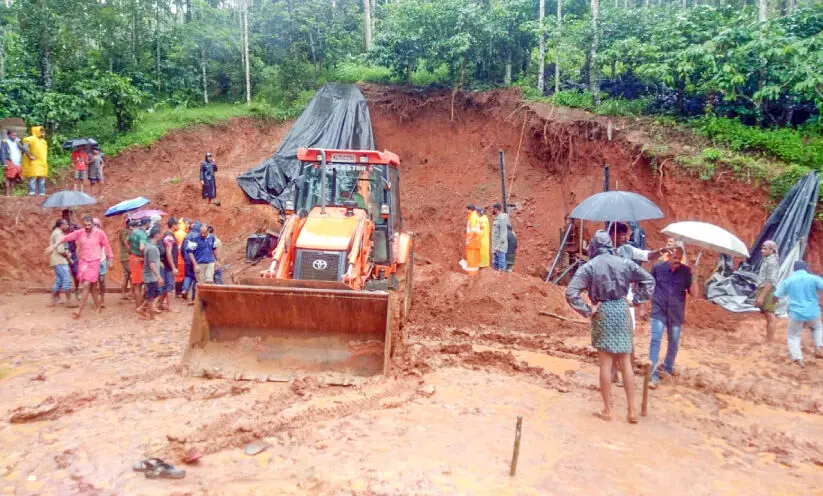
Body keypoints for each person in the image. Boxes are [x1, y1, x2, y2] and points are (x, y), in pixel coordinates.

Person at [566, 231, 655, 424]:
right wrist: (637, 300)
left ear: (594, 247)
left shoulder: (589, 267)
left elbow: (571, 292)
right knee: (625, 363)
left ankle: (607, 409)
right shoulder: (624, 262)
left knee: (605, 364)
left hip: (603, 311)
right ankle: (632, 410)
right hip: (622, 310)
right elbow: (649, 280)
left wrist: (588, 310)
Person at [46, 215, 113, 319]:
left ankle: (79, 311)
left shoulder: (100, 233)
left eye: (89, 225)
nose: (87, 227)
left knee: (86, 284)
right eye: (85, 225)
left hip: (94, 261)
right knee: (93, 286)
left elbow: (107, 246)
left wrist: (110, 259)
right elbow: (66, 238)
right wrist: (54, 246)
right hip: (83, 262)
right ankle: (98, 306)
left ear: (92, 224)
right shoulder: (80, 232)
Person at [648, 241, 695, 388]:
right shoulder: (657, 268)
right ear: (668, 255)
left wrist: (695, 276)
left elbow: (695, 294)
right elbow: (649, 287)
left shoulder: (686, 272)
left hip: (676, 313)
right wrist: (644, 306)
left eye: (679, 257)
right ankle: (653, 373)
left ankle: (667, 368)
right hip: (659, 310)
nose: (676, 259)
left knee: (673, 342)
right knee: (655, 340)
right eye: (674, 256)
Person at [774, 260, 823, 367]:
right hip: (813, 311)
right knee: (817, 328)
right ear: (806, 268)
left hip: (796, 313)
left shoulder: (789, 281)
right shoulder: (814, 279)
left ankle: (798, 358)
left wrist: (772, 303)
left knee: (793, 335)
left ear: (794, 269)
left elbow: (776, 295)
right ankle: (819, 347)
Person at [755, 240, 780, 343]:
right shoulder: (767, 260)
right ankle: (769, 339)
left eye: (765, 248)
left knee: (770, 314)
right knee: (768, 314)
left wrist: (761, 296)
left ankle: (770, 341)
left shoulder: (772, 262)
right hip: (765, 289)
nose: (762, 250)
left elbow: (770, 281)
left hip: (768, 290)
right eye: (762, 248)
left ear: (772, 250)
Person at [137, 227, 163, 320]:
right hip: (151, 276)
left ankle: (141, 308)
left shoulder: (148, 246)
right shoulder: (152, 248)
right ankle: (153, 316)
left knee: (154, 294)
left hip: (150, 276)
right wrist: (159, 276)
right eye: (160, 233)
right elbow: (152, 264)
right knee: (151, 297)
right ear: (156, 235)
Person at [49, 219, 74, 307]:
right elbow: (60, 250)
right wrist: (68, 256)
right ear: (61, 225)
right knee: (67, 280)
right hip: (60, 260)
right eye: (66, 224)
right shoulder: (58, 234)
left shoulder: (57, 232)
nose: (67, 226)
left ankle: (52, 301)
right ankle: (69, 302)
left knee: (59, 281)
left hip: (57, 260)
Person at [128, 217, 151, 309]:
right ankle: (139, 306)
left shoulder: (134, 232)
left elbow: (127, 242)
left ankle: (140, 304)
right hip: (139, 260)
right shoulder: (142, 234)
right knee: (140, 284)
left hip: (133, 258)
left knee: (138, 283)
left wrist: (131, 252)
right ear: (147, 224)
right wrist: (143, 257)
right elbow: (142, 247)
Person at [21, 126, 48, 196]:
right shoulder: (31, 139)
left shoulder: (43, 141)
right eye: (41, 131)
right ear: (37, 131)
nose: (42, 133)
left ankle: (41, 192)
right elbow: (24, 148)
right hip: (35, 162)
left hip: (43, 162)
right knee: (33, 177)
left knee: (41, 177)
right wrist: (29, 155)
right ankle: (32, 192)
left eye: (43, 131)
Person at [159, 218, 179, 311]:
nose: (178, 226)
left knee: (166, 285)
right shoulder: (170, 237)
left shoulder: (166, 235)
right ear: (174, 225)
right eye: (177, 224)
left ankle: (160, 304)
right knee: (170, 285)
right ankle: (169, 306)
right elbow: (169, 252)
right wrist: (173, 267)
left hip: (165, 264)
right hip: (168, 265)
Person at [61, 209, 80, 299]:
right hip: (62, 254)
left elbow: (79, 234)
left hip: (73, 252)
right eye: (65, 215)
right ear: (63, 216)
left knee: (76, 273)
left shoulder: (74, 226)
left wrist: (74, 230)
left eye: (69, 215)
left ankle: (77, 290)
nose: (68, 217)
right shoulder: (60, 226)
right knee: (62, 274)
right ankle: (59, 295)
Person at [181, 222, 202, 302]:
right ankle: (194, 297)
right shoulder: (198, 237)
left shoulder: (186, 236)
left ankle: (184, 289)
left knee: (188, 276)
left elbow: (182, 249)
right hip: (196, 260)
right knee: (196, 278)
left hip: (187, 260)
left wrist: (185, 258)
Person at [1, 129, 23, 196]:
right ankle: (8, 193)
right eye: (13, 135)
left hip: (17, 162)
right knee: (9, 177)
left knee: (15, 177)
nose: (14, 136)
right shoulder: (5, 142)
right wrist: (4, 163)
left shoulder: (17, 142)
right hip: (9, 161)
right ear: (9, 135)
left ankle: (11, 193)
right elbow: (2, 153)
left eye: (16, 135)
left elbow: (22, 150)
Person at [93, 218, 108, 308]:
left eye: (96, 225)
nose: (95, 227)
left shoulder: (102, 235)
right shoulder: (89, 235)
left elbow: (106, 247)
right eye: (94, 225)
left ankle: (102, 299)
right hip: (93, 261)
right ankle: (97, 301)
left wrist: (108, 258)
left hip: (102, 260)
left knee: (102, 281)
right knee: (93, 282)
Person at [491, 202, 510, 272]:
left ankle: (503, 279)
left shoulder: (501, 219)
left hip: (500, 247)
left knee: (501, 264)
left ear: (496, 209)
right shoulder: (497, 218)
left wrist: (498, 246)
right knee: (496, 264)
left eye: (493, 209)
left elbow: (503, 233)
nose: (492, 210)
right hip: (496, 247)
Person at [118, 218, 133, 300]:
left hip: (124, 256)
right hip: (126, 256)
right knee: (133, 274)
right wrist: (131, 250)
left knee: (126, 275)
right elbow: (126, 242)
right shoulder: (126, 232)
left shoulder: (124, 231)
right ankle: (131, 293)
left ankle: (124, 293)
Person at [463, 204, 481, 276]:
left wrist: (468, 240)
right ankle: (475, 274)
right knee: (475, 259)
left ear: (470, 209)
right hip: (476, 242)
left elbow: (473, 231)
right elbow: (481, 227)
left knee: (471, 259)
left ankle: (472, 275)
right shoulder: (476, 216)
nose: (466, 211)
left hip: (472, 243)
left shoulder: (473, 218)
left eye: (466, 210)